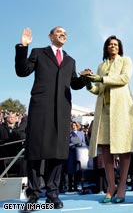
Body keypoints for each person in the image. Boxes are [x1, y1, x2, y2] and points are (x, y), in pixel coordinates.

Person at [15, 27, 85, 212]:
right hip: (41, 107)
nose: (63, 34)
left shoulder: (70, 60)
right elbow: (22, 71)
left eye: (66, 33)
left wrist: (85, 78)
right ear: (50, 36)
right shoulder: (39, 53)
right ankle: (34, 194)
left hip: (62, 110)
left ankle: (53, 193)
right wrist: (23, 46)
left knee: (58, 152)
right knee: (35, 150)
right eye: (59, 32)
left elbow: (75, 83)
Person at [81, 35, 133, 204]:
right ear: (106, 48)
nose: (113, 46)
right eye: (110, 44)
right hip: (105, 110)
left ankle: (122, 184)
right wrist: (88, 83)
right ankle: (111, 186)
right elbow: (98, 89)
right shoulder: (101, 66)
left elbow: (124, 79)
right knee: (106, 148)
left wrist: (100, 79)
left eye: (115, 44)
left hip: (121, 109)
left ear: (119, 47)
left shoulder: (125, 61)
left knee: (123, 148)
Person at [0, 112, 27, 177]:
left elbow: (23, 137)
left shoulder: (20, 128)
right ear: (7, 118)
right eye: (10, 117)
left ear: (16, 118)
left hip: (18, 153)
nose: (11, 119)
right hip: (5, 153)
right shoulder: (1, 128)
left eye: (13, 117)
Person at [67, 121, 86, 192]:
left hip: (79, 153)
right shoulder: (69, 133)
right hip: (71, 153)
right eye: (72, 125)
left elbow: (84, 142)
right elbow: (67, 144)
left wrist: (81, 145)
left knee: (77, 170)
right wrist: (73, 145)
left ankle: (75, 186)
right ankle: (70, 187)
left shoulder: (81, 133)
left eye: (75, 125)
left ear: (77, 126)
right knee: (70, 170)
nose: (73, 126)